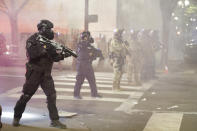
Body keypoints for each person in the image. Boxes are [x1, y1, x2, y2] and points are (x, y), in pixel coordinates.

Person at [12, 20, 71, 129]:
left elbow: (54, 57)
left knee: (52, 96)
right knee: (26, 96)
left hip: (46, 74)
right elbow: (32, 54)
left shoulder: (49, 42)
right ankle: (16, 117)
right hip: (34, 73)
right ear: (42, 29)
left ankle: (54, 120)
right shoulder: (33, 39)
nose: (50, 31)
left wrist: (63, 55)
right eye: (48, 29)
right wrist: (45, 48)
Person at [74, 31, 102, 99]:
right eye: (87, 36)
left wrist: (97, 53)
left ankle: (94, 94)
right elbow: (83, 52)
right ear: (84, 37)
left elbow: (95, 52)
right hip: (81, 65)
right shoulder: (80, 44)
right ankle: (76, 94)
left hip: (88, 65)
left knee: (92, 80)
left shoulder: (89, 46)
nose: (89, 38)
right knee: (79, 81)